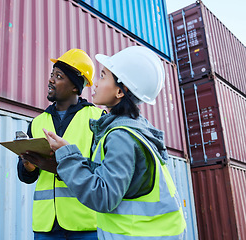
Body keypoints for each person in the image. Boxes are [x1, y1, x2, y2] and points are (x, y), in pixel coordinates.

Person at [40, 46, 187, 239]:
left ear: (120, 91)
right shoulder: (137, 128)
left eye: (102, 76)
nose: (95, 84)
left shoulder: (121, 135)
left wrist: (67, 156)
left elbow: (104, 196)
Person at [18, 49, 104, 239]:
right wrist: (28, 166)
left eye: (58, 76)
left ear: (75, 86)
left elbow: (104, 171)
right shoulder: (37, 122)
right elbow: (27, 177)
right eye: (51, 75)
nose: (50, 80)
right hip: (46, 226)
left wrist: (62, 167)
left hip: (85, 224)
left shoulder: (97, 119)